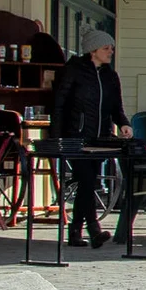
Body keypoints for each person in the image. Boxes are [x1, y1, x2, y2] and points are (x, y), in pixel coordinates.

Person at [50, 37, 128, 247]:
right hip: (75, 136)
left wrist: (124, 124)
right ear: (93, 50)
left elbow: (116, 108)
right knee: (86, 178)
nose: (110, 51)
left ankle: (75, 232)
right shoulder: (74, 70)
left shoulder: (110, 76)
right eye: (106, 48)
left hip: (100, 138)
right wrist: (57, 137)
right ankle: (94, 229)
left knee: (88, 181)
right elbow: (59, 104)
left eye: (112, 47)